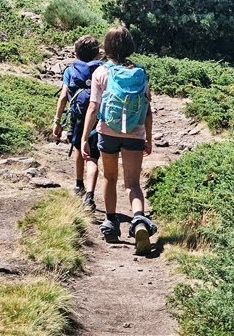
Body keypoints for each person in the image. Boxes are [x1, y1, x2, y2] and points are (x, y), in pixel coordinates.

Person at [81, 25, 157, 255]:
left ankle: (111, 222)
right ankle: (139, 221)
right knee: (133, 184)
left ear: (107, 46)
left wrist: (85, 138)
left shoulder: (101, 72)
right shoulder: (140, 73)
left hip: (108, 132)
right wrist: (149, 137)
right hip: (134, 132)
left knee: (110, 177)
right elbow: (147, 110)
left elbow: (93, 107)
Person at [52, 35, 102, 212]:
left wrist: (57, 121)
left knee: (79, 149)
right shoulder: (103, 70)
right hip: (98, 117)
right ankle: (90, 196)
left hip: (77, 116)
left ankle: (79, 185)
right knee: (93, 156)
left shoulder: (70, 70)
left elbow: (63, 97)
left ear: (76, 53)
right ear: (97, 53)